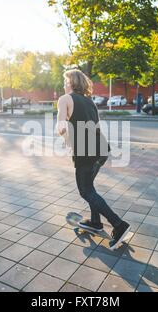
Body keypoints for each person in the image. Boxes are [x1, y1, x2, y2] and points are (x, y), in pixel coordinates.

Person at [56, 69, 131, 250]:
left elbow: (60, 128)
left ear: (71, 83)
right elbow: (96, 127)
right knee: (90, 188)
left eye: (66, 81)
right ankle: (96, 223)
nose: (64, 85)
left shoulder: (65, 99)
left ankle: (119, 225)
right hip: (101, 150)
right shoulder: (90, 101)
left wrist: (65, 128)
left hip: (85, 151)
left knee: (86, 191)